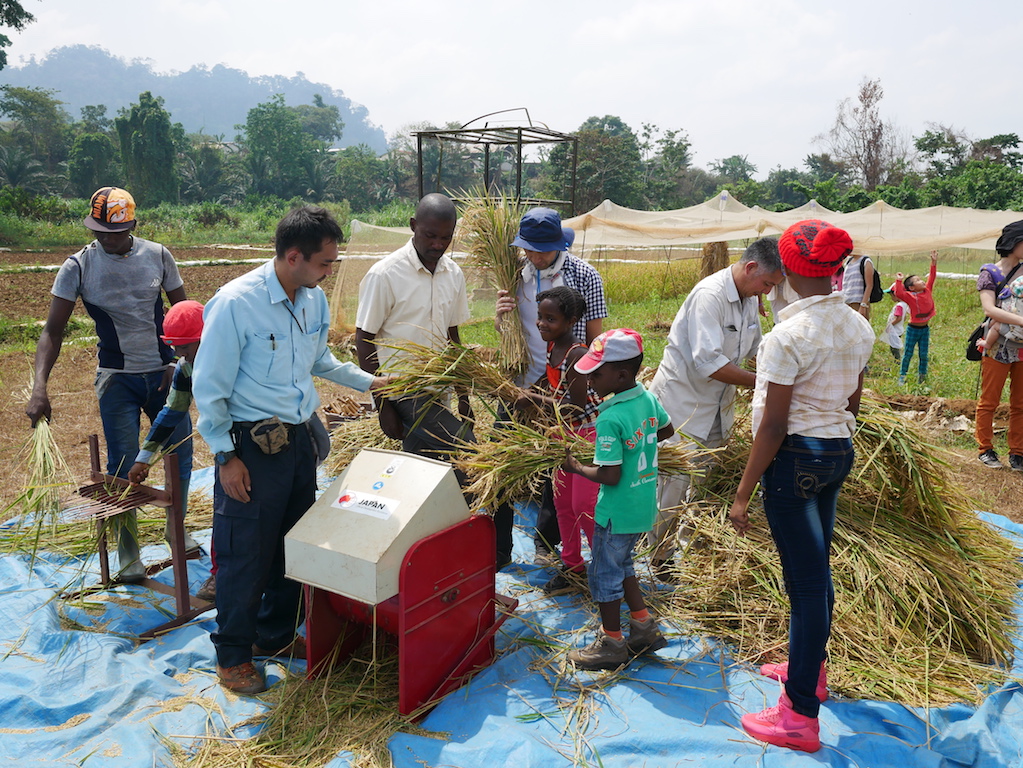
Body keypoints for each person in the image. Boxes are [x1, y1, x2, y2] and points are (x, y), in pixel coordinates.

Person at [193, 205, 391, 694]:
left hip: (298, 439)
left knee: (292, 547)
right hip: (252, 448)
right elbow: (209, 386)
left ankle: (274, 637)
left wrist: (371, 381)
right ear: (294, 256)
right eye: (325, 263)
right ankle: (233, 656)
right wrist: (225, 456)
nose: (329, 272)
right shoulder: (236, 303)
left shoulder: (311, 299)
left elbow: (319, 359)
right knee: (245, 554)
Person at [728, 219, 874, 753]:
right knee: (817, 571)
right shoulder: (859, 325)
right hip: (837, 451)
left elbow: (771, 425)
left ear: (785, 268)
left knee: (806, 584)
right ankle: (808, 669)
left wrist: (743, 493)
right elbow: (853, 400)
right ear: (838, 269)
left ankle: (798, 716)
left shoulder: (785, 337)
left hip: (794, 461)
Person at [25, 187, 192, 583]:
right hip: (116, 380)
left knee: (179, 455)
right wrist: (39, 387)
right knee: (122, 464)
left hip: (163, 374)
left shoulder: (158, 255)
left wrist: (182, 364)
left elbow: (186, 315)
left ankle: (176, 530)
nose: (105, 239)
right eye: (99, 231)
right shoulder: (78, 267)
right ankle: (128, 551)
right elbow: (52, 331)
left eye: (114, 233)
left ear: (132, 225)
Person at [355, 194, 515, 568]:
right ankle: (494, 552)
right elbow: (364, 341)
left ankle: (425, 554)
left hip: (440, 390)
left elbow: (452, 337)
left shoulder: (452, 273)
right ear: (412, 226)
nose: (437, 245)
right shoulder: (385, 274)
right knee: (478, 461)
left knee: (422, 470)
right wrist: (384, 406)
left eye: (446, 237)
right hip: (405, 390)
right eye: (429, 235)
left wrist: (462, 395)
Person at [646, 237, 783, 578]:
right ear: (751, 267)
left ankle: (691, 550)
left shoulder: (750, 298)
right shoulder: (710, 296)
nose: (766, 292)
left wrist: (787, 360)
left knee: (706, 481)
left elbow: (755, 347)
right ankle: (658, 557)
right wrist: (767, 383)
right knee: (673, 483)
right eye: (766, 283)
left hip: (718, 407)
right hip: (683, 405)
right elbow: (709, 362)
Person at [496, 207, 608, 565]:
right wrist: (501, 322)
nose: (534, 256)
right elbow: (510, 330)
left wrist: (586, 384)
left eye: (542, 249)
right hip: (522, 383)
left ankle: (551, 545)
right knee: (503, 464)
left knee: (557, 472)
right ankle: (500, 551)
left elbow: (596, 338)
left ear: (559, 243)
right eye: (528, 248)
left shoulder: (584, 276)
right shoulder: (514, 272)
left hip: (565, 388)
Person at [561, 328, 674, 670]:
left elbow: (608, 475)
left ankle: (611, 642)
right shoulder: (647, 399)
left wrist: (577, 466)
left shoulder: (609, 418)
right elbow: (666, 431)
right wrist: (640, 444)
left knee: (604, 576)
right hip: (641, 506)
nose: (591, 379)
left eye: (597, 373)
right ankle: (643, 627)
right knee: (623, 567)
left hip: (614, 512)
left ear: (621, 374)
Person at [512, 286, 602, 593]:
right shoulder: (553, 349)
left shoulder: (577, 354)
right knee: (562, 504)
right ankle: (572, 565)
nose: (541, 324)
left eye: (550, 319)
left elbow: (575, 407)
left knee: (583, 506)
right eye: (540, 317)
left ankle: (603, 569)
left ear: (571, 320)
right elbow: (552, 382)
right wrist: (529, 390)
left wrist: (536, 400)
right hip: (562, 434)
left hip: (586, 436)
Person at [127, 299, 214, 600]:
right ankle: (221, 572)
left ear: (207, 337)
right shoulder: (186, 368)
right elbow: (172, 412)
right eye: (175, 348)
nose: (179, 355)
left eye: (185, 348)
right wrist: (144, 457)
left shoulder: (236, 358)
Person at [975, 220, 1023, 471]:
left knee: (1020, 403)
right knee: (989, 400)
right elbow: (989, 309)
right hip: (997, 344)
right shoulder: (990, 273)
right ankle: (985, 448)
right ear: (1014, 243)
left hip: (1022, 345)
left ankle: (1018, 452)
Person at [893, 250, 938, 387]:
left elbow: (932, 277)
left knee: (924, 354)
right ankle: (902, 376)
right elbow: (898, 292)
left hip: (924, 329)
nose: (922, 281)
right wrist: (899, 280)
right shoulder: (910, 297)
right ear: (912, 287)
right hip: (913, 329)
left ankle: (922, 377)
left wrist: (933, 262)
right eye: (917, 281)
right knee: (908, 354)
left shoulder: (927, 290)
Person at [978, 275, 1023, 352]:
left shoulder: (1011, 303)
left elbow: (1000, 316)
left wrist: (989, 324)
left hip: (1016, 335)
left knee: (997, 325)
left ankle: (987, 343)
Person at [841, 251, 876, 320]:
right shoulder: (848, 262)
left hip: (858, 303)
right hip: (847, 302)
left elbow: (869, 285)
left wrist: (863, 305)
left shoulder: (866, 261)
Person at [880, 288, 910, 363]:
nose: (892, 298)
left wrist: (890, 325)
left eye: (892, 296)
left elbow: (898, 318)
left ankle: (897, 361)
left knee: (894, 347)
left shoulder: (899, 306)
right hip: (899, 329)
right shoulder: (904, 304)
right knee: (896, 345)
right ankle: (898, 360)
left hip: (895, 330)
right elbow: (904, 317)